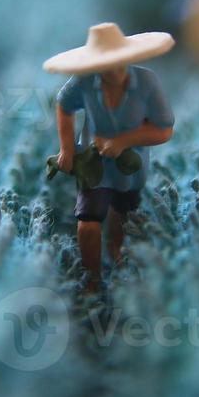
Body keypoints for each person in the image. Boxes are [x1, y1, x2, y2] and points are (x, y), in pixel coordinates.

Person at [44, 23, 176, 290]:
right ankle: (91, 276)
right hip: (92, 167)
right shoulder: (84, 82)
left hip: (131, 169)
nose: (113, 71)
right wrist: (67, 148)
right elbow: (63, 105)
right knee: (88, 223)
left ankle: (116, 252)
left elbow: (164, 130)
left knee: (121, 215)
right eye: (105, 65)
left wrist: (123, 141)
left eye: (119, 63)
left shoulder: (147, 82)